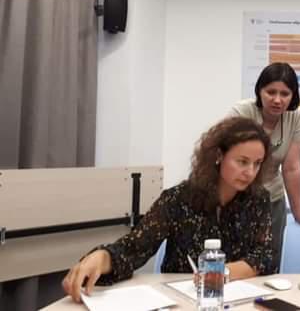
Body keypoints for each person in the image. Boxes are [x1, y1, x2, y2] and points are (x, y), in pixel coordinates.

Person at [62, 116, 275, 303]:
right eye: (242, 162)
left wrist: (221, 272)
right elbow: (134, 248)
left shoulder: (259, 199)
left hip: (238, 301)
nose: (250, 172)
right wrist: (102, 257)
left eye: (257, 163)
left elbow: (265, 256)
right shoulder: (178, 199)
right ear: (219, 156)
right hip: (181, 301)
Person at [228, 62, 300, 271]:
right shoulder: (241, 113)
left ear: (293, 96)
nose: (277, 100)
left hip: (272, 200)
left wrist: (299, 214)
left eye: (285, 94)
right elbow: (225, 161)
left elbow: (291, 167)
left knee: (268, 265)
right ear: (259, 91)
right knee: (236, 265)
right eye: (271, 92)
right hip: (237, 199)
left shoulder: (295, 116)